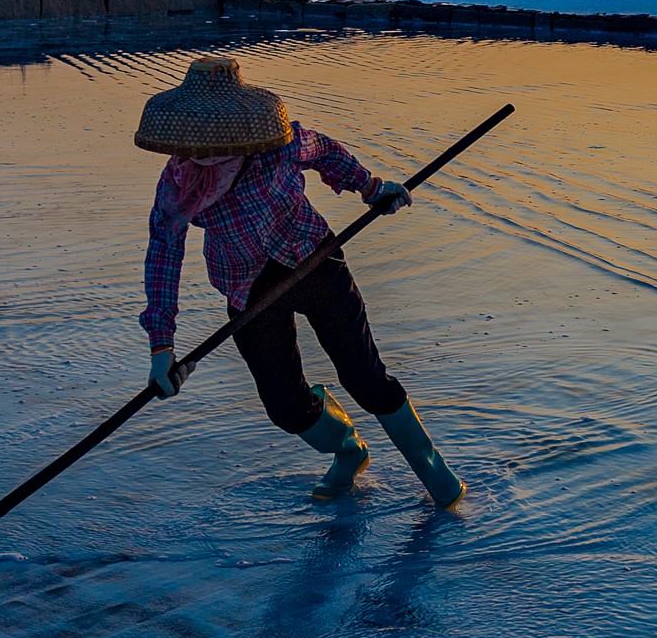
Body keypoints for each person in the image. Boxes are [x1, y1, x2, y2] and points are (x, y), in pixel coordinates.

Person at [133, 54, 464, 506]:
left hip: (312, 259)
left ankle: (437, 475)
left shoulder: (281, 144)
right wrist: (162, 347)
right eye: (192, 140)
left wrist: (371, 188)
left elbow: (326, 151)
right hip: (245, 285)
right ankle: (348, 450)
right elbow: (164, 254)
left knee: (364, 377)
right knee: (284, 406)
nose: (200, 152)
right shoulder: (178, 182)